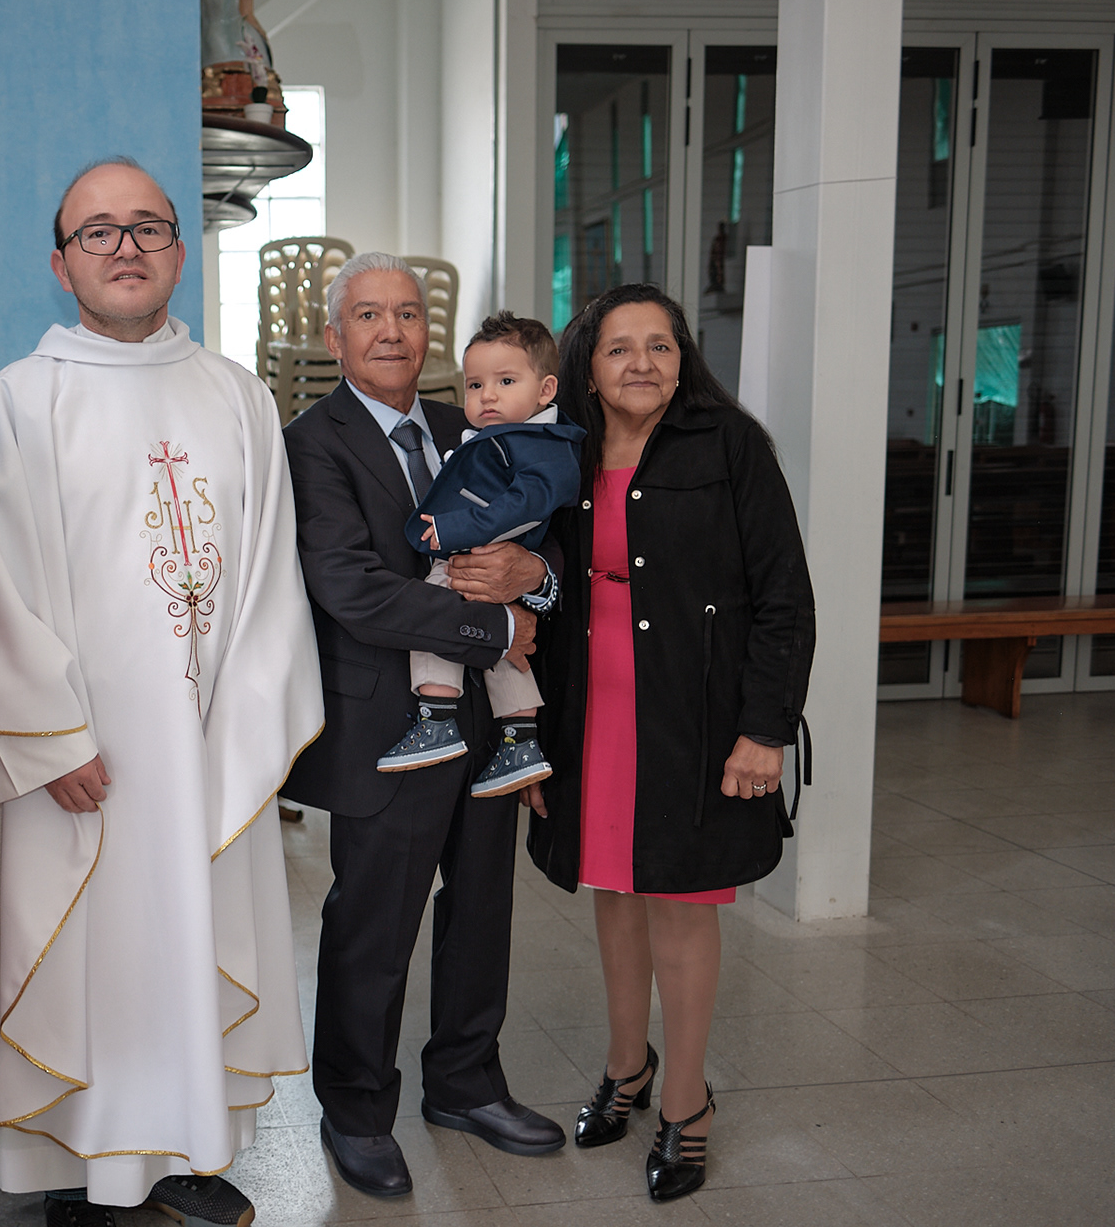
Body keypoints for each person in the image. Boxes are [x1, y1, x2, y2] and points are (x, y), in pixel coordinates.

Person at [0, 156, 322, 1227]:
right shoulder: (19, 400)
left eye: (147, 227)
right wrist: (48, 737)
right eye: (97, 231)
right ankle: (81, 1170)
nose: (125, 247)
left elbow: (273, 574)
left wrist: (241, 728)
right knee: (93, 957)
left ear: (178, 252)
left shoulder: (237, 394)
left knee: (189, 942)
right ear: (60, 263)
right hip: (82, 760)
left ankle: (184, 1151)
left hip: (205, 745)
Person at [281, 252, 568, 1200]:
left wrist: (536, 580)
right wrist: (499, 629)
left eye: (407, 313)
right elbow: (351, 588)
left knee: (482, 908)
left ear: (428, 332)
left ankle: (465, 1083)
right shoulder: (309, 444)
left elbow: (543, 537)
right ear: (336, 338)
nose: (392, 331)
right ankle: (357, 1110)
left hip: (483, 720)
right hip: (382, 728)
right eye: (369, 315)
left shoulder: (466, 423)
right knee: (373, 923)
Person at [523, 283, 814, 1202]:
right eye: (620, 348)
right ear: (588, 368)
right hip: (590, 710)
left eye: (660, 344)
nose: (641, 363)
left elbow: (784, 596)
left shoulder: (730, 445)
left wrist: (764, 730)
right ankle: (627, 1066)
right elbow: (535, 592)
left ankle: (687, 1103)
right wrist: (532, 736)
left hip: (693, 716)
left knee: (684, 904)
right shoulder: (559, 451)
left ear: (684, 358)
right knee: (614, 890)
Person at [377, 311, 584, 803]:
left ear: (546, 390)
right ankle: (520, 738)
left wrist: (454, 529)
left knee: (436, 607)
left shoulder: (542, 444)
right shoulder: (503, 433)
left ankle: (436, 717)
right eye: (475, 385)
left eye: (505, 381)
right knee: (503, 647)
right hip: (483, 566)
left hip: (475, 554)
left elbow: (522, 506)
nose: (487, 395)